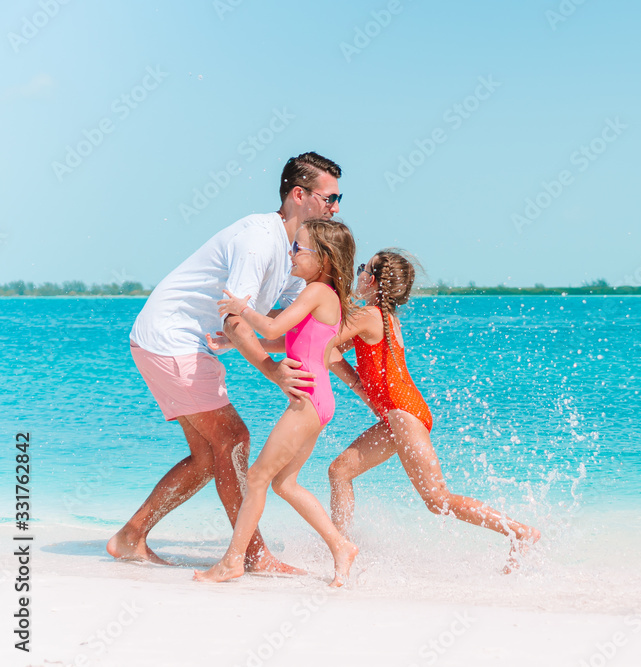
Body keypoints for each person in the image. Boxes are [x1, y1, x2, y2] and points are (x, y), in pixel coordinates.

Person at [107, 152, 344, 571]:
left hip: (181, 344)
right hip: (172, 338)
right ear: (298, 195)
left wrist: (362, 380)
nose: (336, 207)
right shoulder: (260, 239)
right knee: (233, 439)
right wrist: (271, 371)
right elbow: (234, 319)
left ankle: (130, 537)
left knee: (208, 457)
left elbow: (295, 330)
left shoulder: (297, 256)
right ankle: (252, 556)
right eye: (330, 198)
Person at [326, 250, 541, 571]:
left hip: (404, 414)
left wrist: (260, 336)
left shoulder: (368, 315)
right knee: (340, 471)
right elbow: (328, 352)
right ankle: (339, 548)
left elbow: (320, 345)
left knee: (438, 499)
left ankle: (521, 533)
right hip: (400, 415)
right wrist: (357, 385)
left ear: (370, 280)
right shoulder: (377, 317)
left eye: (360, 269)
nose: (356, 274)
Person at [194, 220, 360, 585]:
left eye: (299, 249)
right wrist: (233, 341)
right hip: (318, 398)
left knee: (256, 477)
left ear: (325, 258)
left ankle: (232, 562)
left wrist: (242, 308)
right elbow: (288, 343)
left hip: (308, 398)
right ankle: (340, 546)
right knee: (284, 483)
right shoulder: (324, 294)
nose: (291, 255)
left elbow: (271, 329)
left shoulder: (317, 291)